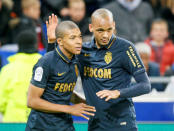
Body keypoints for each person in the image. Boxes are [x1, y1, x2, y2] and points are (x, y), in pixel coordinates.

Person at [47, 9, 151, 131]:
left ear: (114, 25)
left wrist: (117, 93)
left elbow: (145, 85)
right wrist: (51, 41)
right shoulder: (82, 51)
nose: (105, 35)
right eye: (100, 30)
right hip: (95, 124)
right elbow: (53, 68)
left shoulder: (126, 48)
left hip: (122, 123)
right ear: (91, 27)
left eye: (109, 29)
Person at [25, 20, 96, 131]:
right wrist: (69, 109)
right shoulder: (45, 62)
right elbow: (32, 101)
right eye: (72, 38)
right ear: (60, 41)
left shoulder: (76, 60)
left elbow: (63, 91)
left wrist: (88, 102)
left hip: (65, 125)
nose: (78, 41)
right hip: (41, 126)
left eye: (80, 37)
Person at [0, 30, 42, 122]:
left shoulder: (7, 69)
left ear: (18, 46)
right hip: (39, 122)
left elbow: (1, 101)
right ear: (36, 45)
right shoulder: (45, 67)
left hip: (12, 122)